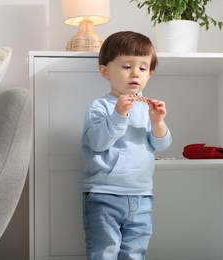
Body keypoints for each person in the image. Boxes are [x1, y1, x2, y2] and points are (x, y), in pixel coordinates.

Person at [80, 31, 172, 260]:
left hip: (142, 195)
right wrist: (118, 115)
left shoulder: (147, 108)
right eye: (126, 66)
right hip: (105, 194)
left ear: (150, 74)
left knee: (135, 253)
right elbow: (97, 142)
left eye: (142, 68)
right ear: (105, 71)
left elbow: (161, 145)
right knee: (104, 253)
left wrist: (158, 122)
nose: (135, 73)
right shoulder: (99, 107)